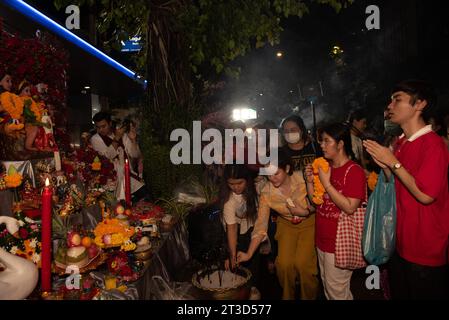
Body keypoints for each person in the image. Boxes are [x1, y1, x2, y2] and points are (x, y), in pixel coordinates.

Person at [363, 80, 449, 299]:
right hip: (400, 243)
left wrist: (393, 162)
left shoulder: (433, 144)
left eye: (397, 99)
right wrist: (387, 167)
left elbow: (426, 195)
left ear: (420, 104)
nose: (389, 106)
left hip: (425, 247)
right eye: (390, 100)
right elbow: (400, 185)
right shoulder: (401, 143)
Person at [237, 149, 318, 300]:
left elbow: (319, 203)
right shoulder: (266, 193)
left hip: (309, 223)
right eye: (268, 174)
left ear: (287, 168)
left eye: (276, 173)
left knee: (303, 265)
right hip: (286, 225)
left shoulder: (303, 179)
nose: (272, 178)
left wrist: (306, 211)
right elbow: (261, 225)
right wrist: (249, 253)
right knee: (283, 265)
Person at [305, 122, 366, 300]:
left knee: (336, 290)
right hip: (322, 238)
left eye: (326, 141)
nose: (321, 145)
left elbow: (349, 207)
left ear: (340, 144)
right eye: (321, 141)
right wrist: (310, 181)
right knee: (328, 286)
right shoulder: (327, 168)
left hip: (340, 241)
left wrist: (327, 184)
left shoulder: (354, 171)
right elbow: (317, 203)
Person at [90, 111, 147, 202]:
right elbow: (107, 157)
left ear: (110, 123)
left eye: (103, 126)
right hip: (113, 180)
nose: (100, 130)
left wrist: (133, 140)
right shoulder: (95, 139)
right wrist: (116, 138)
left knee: (145, 199)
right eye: (98, 127)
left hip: (129, 176)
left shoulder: (120, 134)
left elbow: (135, 154)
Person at [219, 165, 260, 287]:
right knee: (235, 270)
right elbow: (231, 229)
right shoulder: (228, 200)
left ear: (247, 179)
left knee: (254, 270)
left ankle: (253, 290)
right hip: (234, 233)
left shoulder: (257, 189)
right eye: (231, 184)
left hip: (253, 230)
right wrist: (231, 256)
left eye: (239, 183)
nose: (236, 187)